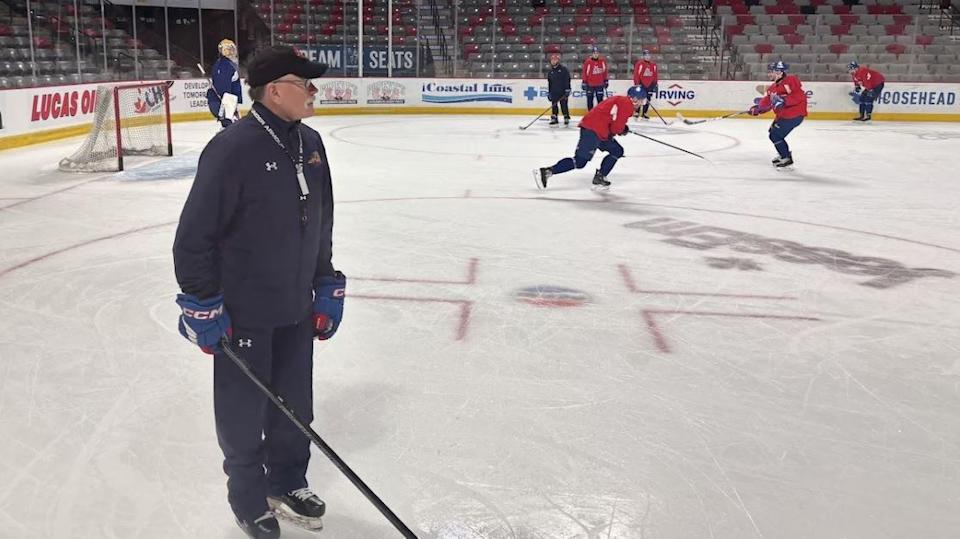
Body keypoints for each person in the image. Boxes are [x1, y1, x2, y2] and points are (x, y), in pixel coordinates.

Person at [173, 45, 344, 539]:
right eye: (304, 83)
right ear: (274, 91)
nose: (314, 91)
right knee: (244, 413)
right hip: (243, 312)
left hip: (295, 304)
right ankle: (248, 498)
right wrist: (201, 301)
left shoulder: (309, 141)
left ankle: (288, 481)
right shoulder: (233, 148)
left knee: (296, 406)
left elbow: (321, 220)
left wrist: (326, 279)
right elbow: (194, 235)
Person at [536, 86, 648, 190]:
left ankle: (600, 177)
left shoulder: (622, 100)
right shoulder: (627, 105)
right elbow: (616, 128)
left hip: (601, 130)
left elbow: (612, 120)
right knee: (580, 162)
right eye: (641, 100)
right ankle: (547, 171)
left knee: (617, 150)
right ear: (634, 99)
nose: (641, 103)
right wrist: (622, 130)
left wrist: (621, 128)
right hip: (593, 130)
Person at [748, 61, 808, 168]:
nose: (769, 74)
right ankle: (783, 154)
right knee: (773, 133)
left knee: (775, 135)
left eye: (771, 72)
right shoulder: (773, 88)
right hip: (783, 116)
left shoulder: (790, 81)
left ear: (779, 72)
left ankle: (786, 157)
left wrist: (784, 100)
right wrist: (757, 109)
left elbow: (800, 97)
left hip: (794, 115)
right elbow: (767, 103)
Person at [206, 39, 243, 129]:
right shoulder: (224, 65)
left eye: (232, 49)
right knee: (230, 129)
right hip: (221, 103)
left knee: (230, 128)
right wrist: (228, 108)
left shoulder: (228, 64)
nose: (231, 52)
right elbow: (223, 89)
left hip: (227, 103)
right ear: (222, 51)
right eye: (228, 49)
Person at [546, 53, 571, 127]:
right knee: (554, 105)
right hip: (554, 91)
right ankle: (554, 117)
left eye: (555, 60)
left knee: (564, 105)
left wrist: (567, 89)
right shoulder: (550, 71)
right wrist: (549, 92)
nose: (553, 61)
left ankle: (566, 117)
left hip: (562, 91)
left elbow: (567, 80)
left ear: (558, 60)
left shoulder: (563, 69)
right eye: (552, 60)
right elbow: (550, 83)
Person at [632, 49, 659, 120]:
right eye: (646, 55)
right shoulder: (639, 64)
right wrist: (637, 83)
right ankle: (637, 112)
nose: (647, 57)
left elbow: (655, 75)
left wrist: (655, 83)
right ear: (643, 56)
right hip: (641, 84)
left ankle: (645, 113)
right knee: (639, 97)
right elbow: (636, 74)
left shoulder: (653, 65)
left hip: (650, 84)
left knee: (648, 98)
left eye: (648, 55)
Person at [580, 46, 608, 111]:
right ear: (592, 54)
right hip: (590, 84)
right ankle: (590, 113)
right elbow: (585, 72)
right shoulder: (588, 62)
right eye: (594, 53)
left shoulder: (602, 61)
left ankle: (600, 113)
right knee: (590, 99)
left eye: (597, 53)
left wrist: (606, 80)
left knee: (600, 99)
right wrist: (584, 81)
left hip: (600, 84)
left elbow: (605, 71)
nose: (595, 54)